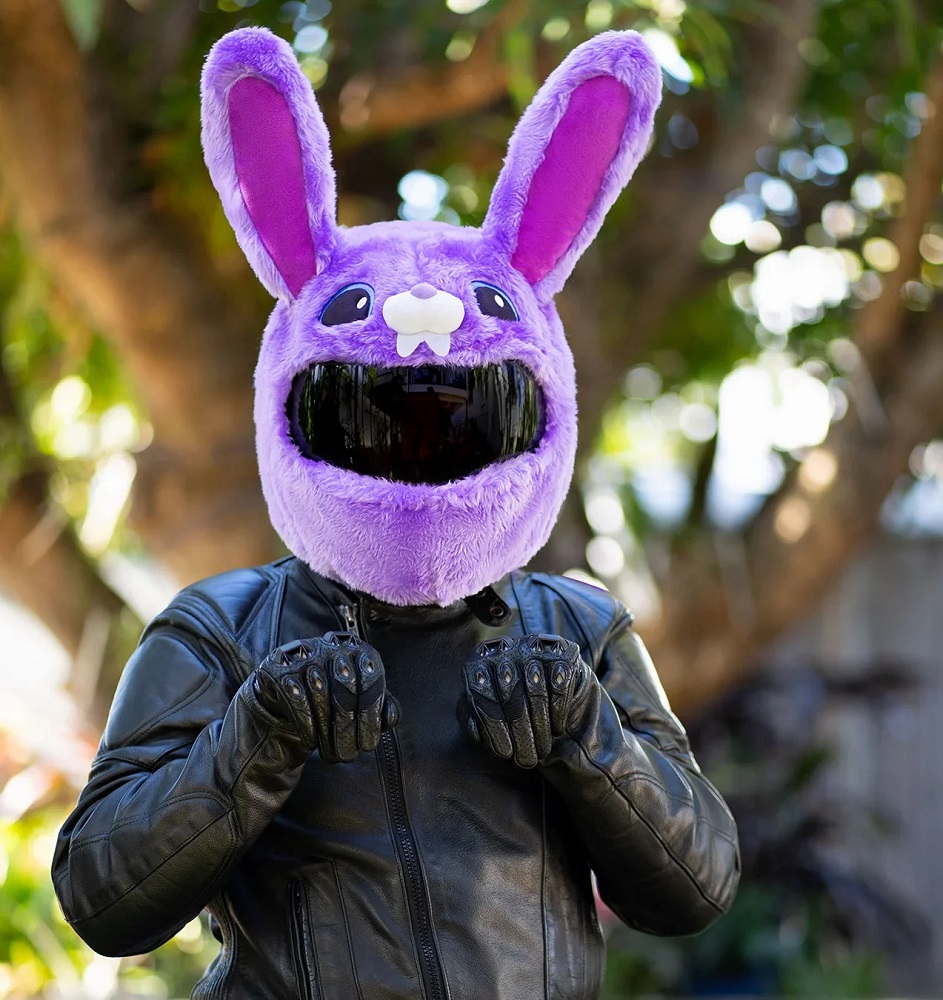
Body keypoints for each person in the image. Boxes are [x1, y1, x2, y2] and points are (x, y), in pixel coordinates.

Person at [53, 25, 739, 999]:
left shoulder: (581, 631)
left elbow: (696, 885)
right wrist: (257, 740)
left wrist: (586, 737)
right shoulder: (215, 632)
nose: (417, 445)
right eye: (375, 416)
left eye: (457, 416)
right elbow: (100, 899)